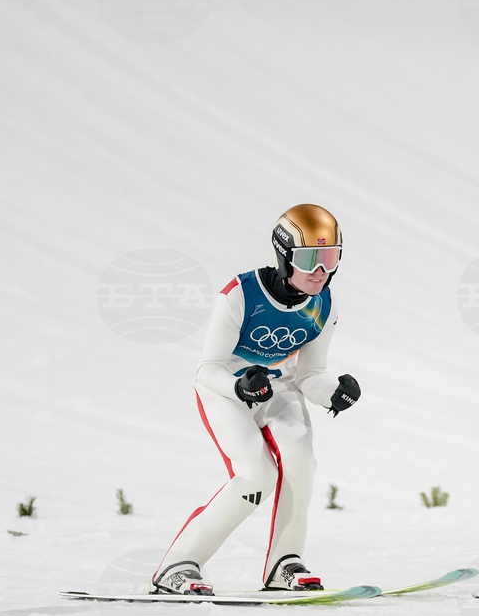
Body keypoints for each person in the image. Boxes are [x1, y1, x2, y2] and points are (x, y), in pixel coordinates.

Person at [151, 204, 361, 596]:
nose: (321, 271)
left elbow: (310, 374)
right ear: (283, 256)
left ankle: (285, 563)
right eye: (310, 259)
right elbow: (207, 369)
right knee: (256, 475)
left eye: (330, 258)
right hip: (225, 390)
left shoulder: (324, 304)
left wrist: (333, 392)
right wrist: (239, 387)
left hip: (276, 387)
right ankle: (178, 564)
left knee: (301, 460)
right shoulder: (240, 295)